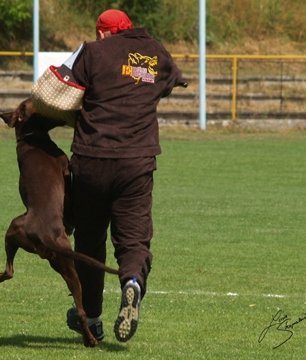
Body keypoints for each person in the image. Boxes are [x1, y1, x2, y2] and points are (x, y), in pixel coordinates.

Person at [63, 9, 184, 343]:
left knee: (89, 240)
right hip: (136, 162)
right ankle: (132, 283)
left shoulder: (92, 51)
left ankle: (92, 318)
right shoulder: (156, 52)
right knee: (133, 238)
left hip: (91, 160)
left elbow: (63, 87)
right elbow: (171, 82)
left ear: (104, 33)